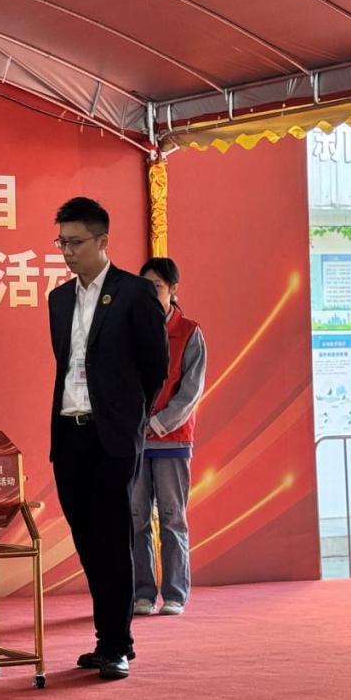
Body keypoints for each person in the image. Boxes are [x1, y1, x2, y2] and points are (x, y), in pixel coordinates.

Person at [47, 197, 169, 680]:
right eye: (61, 242)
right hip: (68, 431)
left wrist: (129, 416)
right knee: (86, 538)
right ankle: (108, 638)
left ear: (102, 241)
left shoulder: (134, 293)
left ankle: (117, 643)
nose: (67, 252)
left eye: (76, 242)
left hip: (112, 436)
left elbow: (156, 366)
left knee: (113, 537)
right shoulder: (59, 300)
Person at [131, 257, 206, 617]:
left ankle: (175, 593)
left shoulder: (190, 332)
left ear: (173, 289)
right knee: (136, 519)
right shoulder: (130, 329)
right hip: (134, 441)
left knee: (173, 518)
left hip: (172, 440)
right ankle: (143, 593)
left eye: (157, 286)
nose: (150, 293)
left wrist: (159, 423)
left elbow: (190, 392)